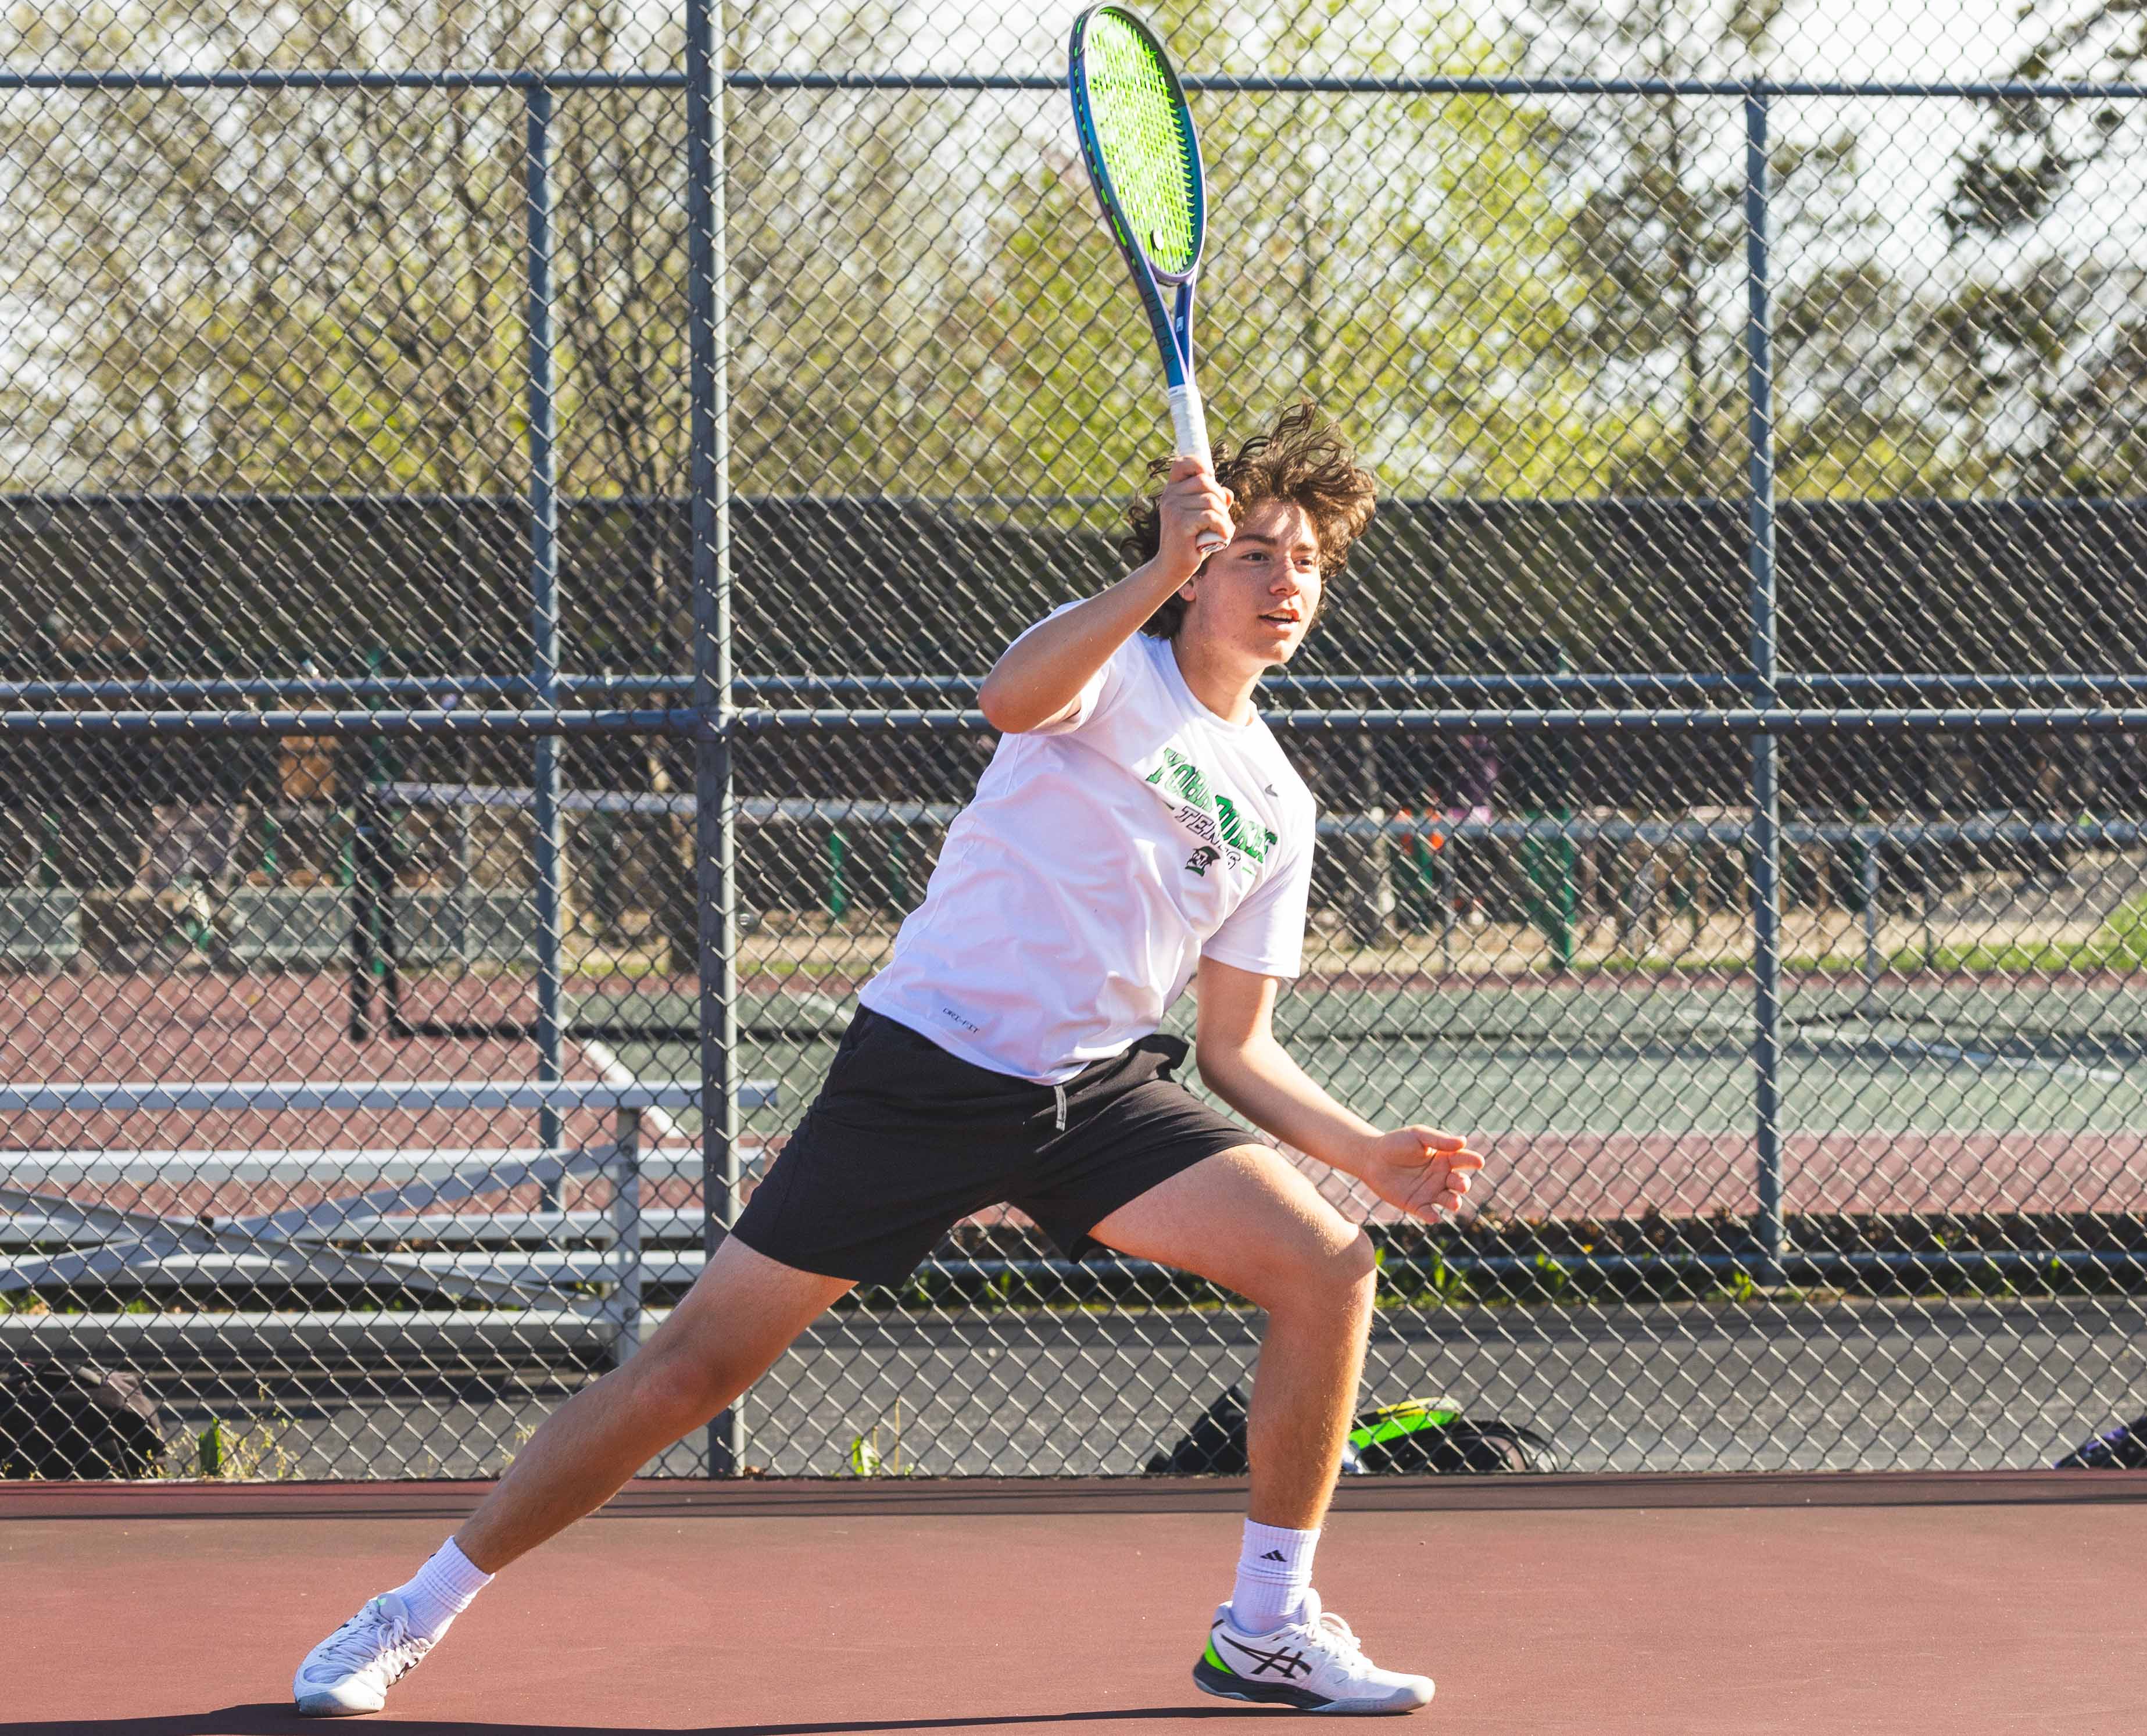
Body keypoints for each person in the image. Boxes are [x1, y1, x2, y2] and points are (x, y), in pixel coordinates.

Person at [291, 403, 1482, 1719]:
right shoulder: (1112, 672)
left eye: (1306, 559)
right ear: (1194, 567)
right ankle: (407, 1616)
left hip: (1098, 1095)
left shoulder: (1278, 800)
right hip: (924, 1071)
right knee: (691, 1371)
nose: (1286, 581)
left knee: (1329, 1267)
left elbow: (1236, 1047)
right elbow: (1007, 695)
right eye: (1254, 552)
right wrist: (1154, 569)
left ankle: (1267, 1627)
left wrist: (1364, 1152)